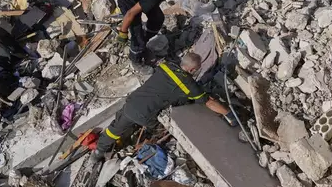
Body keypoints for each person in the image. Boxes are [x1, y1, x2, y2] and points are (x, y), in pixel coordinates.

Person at [94, 52, 238, 159]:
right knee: (161, 129)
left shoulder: (166, 66)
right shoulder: (188, 85)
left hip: (132, 103)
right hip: (146, 116)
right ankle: (146, 144)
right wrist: (229, 114)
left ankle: (99, 151)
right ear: (192, 70)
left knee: (115, 128)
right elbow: (209, 102)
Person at [116, 0, 191, 73]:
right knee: (137, 35)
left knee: (157, 19)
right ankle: (136, 60)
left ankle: (144, 43)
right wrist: (122, 32)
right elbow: (130, 13)